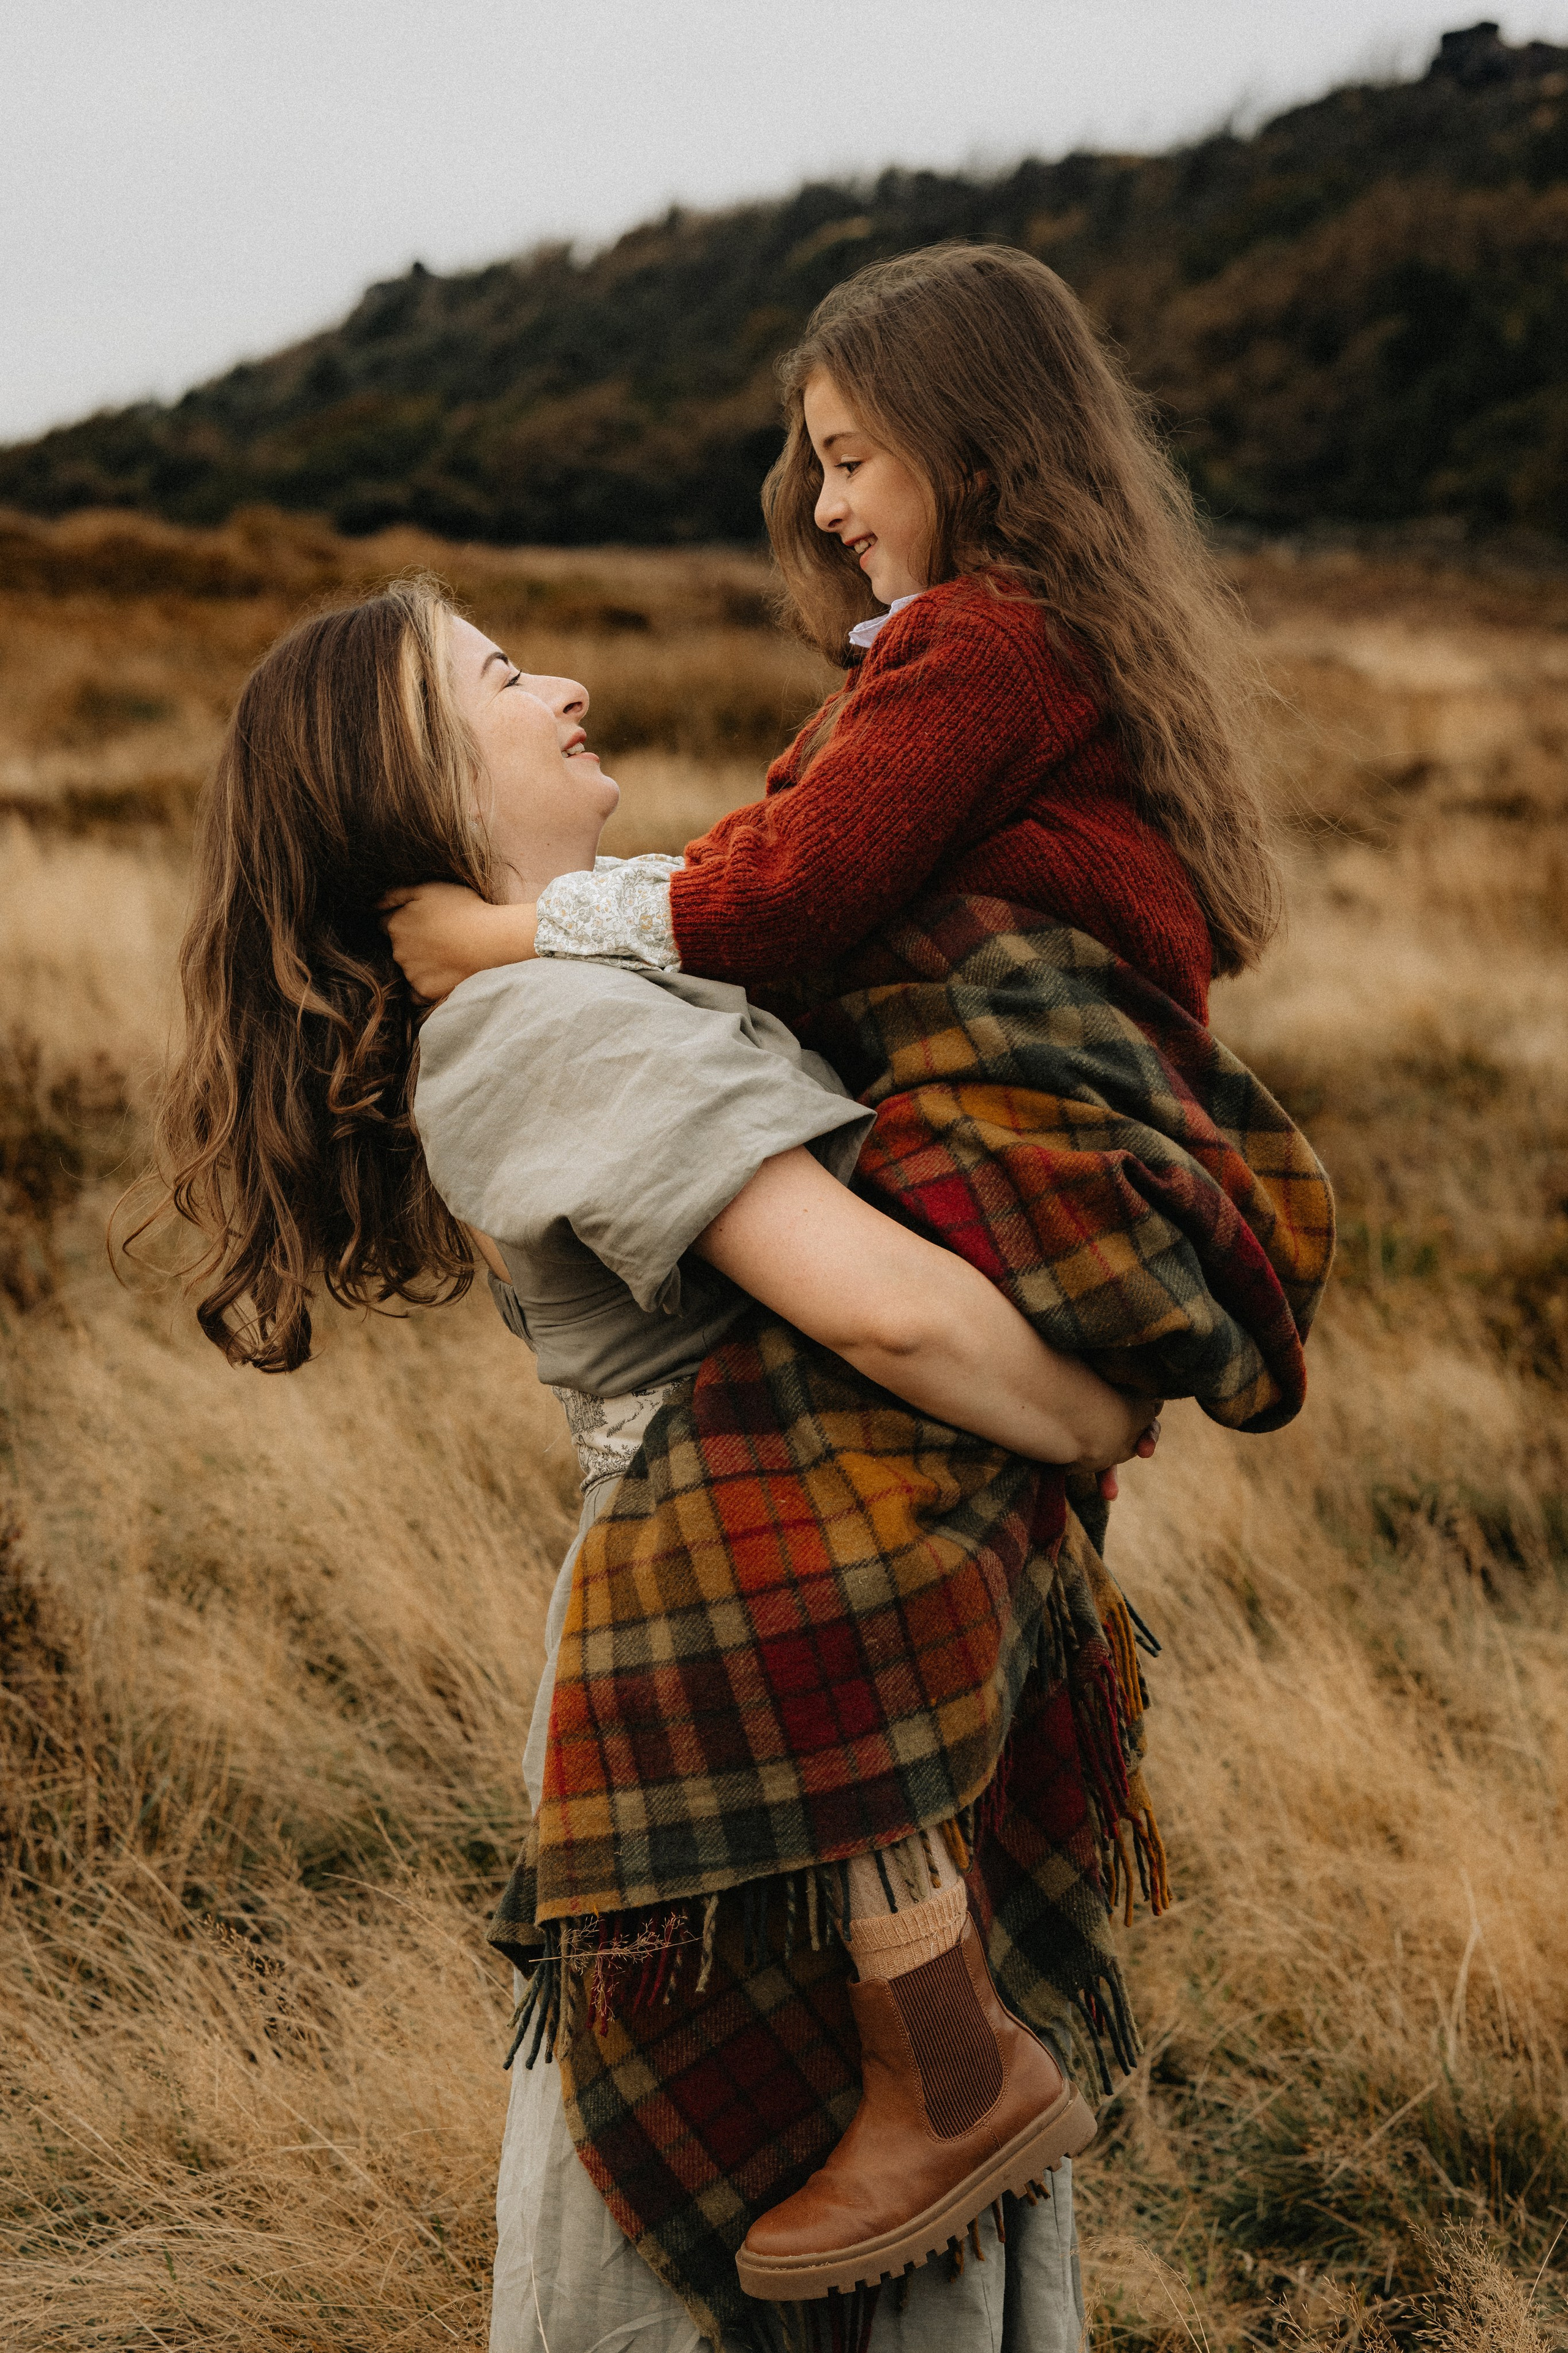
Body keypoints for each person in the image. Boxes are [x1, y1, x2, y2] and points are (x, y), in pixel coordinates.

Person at [140, 579, 1170, 2352]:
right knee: (760, 2205)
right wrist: (1097, 1413)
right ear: (407, 776)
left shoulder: (580, 973)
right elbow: (890, 1318)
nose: (568, 683)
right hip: (745, 1685)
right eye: (500, 674)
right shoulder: (545, 1033)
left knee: (900, 2171)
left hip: (832, 1654)